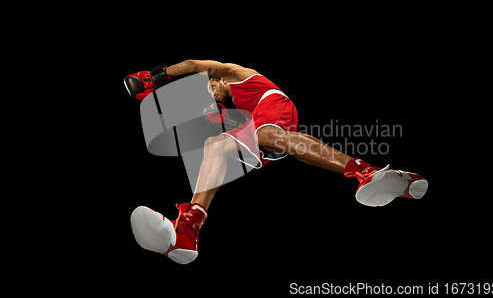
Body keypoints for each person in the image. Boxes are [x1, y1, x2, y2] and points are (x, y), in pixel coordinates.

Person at [125, 60, 428, 264]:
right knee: (215, 146)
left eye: (212, 88)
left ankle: (365, 170)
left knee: (267, 134)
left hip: (272, 106)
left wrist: (154, 78)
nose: (213, 93)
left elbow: (193, 66)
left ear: (219, 80)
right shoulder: (228, 110)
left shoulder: (235, 74)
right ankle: (188, 232)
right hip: (256, 125)